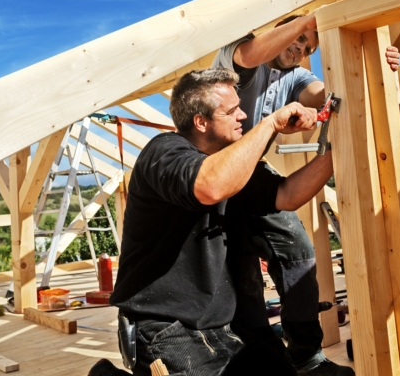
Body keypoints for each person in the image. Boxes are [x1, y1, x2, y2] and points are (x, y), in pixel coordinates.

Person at [109, 68, 335, 376]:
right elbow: (208, 186)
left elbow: (287, 194)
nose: (243, 115)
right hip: (167, 326)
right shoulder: (164, 152)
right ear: (201, 122)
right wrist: (270, 124)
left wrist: (336, 151)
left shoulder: (234, 164)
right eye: (231, 111)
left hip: (233, 324)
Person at [212, 13, 399, 375]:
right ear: (282, 29)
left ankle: (306, 356)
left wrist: (376, 61)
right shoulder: (243, 54)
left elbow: (327, 96)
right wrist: (307, 20)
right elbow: (249, 56)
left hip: (249, 175)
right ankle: (247, 362)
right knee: (238, 277)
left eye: (307, 47)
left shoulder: (296, 77)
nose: (299, 49)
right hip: (210, 172)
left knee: (297, 252)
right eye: (296, 39)